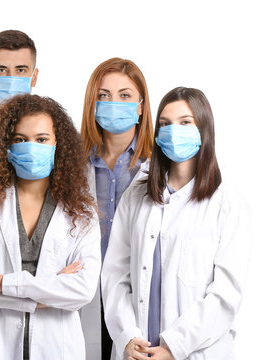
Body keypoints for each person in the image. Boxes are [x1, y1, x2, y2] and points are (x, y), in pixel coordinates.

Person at [101, 87, 252, 360]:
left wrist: (174, 346)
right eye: (164, 124)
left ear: (204, 128)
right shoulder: (136, 196)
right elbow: (115, 275)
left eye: (185, 122)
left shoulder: (227, 204)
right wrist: (127, 336)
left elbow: (225, 294)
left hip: (195, 352)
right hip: (136, 351)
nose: (173, 131)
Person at [0, 94, 101, 360]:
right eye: (20, 140)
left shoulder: (81, 212)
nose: (31, 148)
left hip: (56, 347)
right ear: (5, 147)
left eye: (42, 140)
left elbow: (82, 291)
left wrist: (0, 283)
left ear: (59, 144)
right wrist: (50, 292)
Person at [79, 57, 154, 359]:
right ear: (92, 104)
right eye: (103, 96)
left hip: (135, 292)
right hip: (84, 292)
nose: (113, 103)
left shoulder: (156, 167)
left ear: (140, 106)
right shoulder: (73, 165)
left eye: (125, 95)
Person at [0, 30, 39, 106]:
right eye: (1, 70)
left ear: (34, 78)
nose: (11, 82)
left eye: (20, 70)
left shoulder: (50, 118)